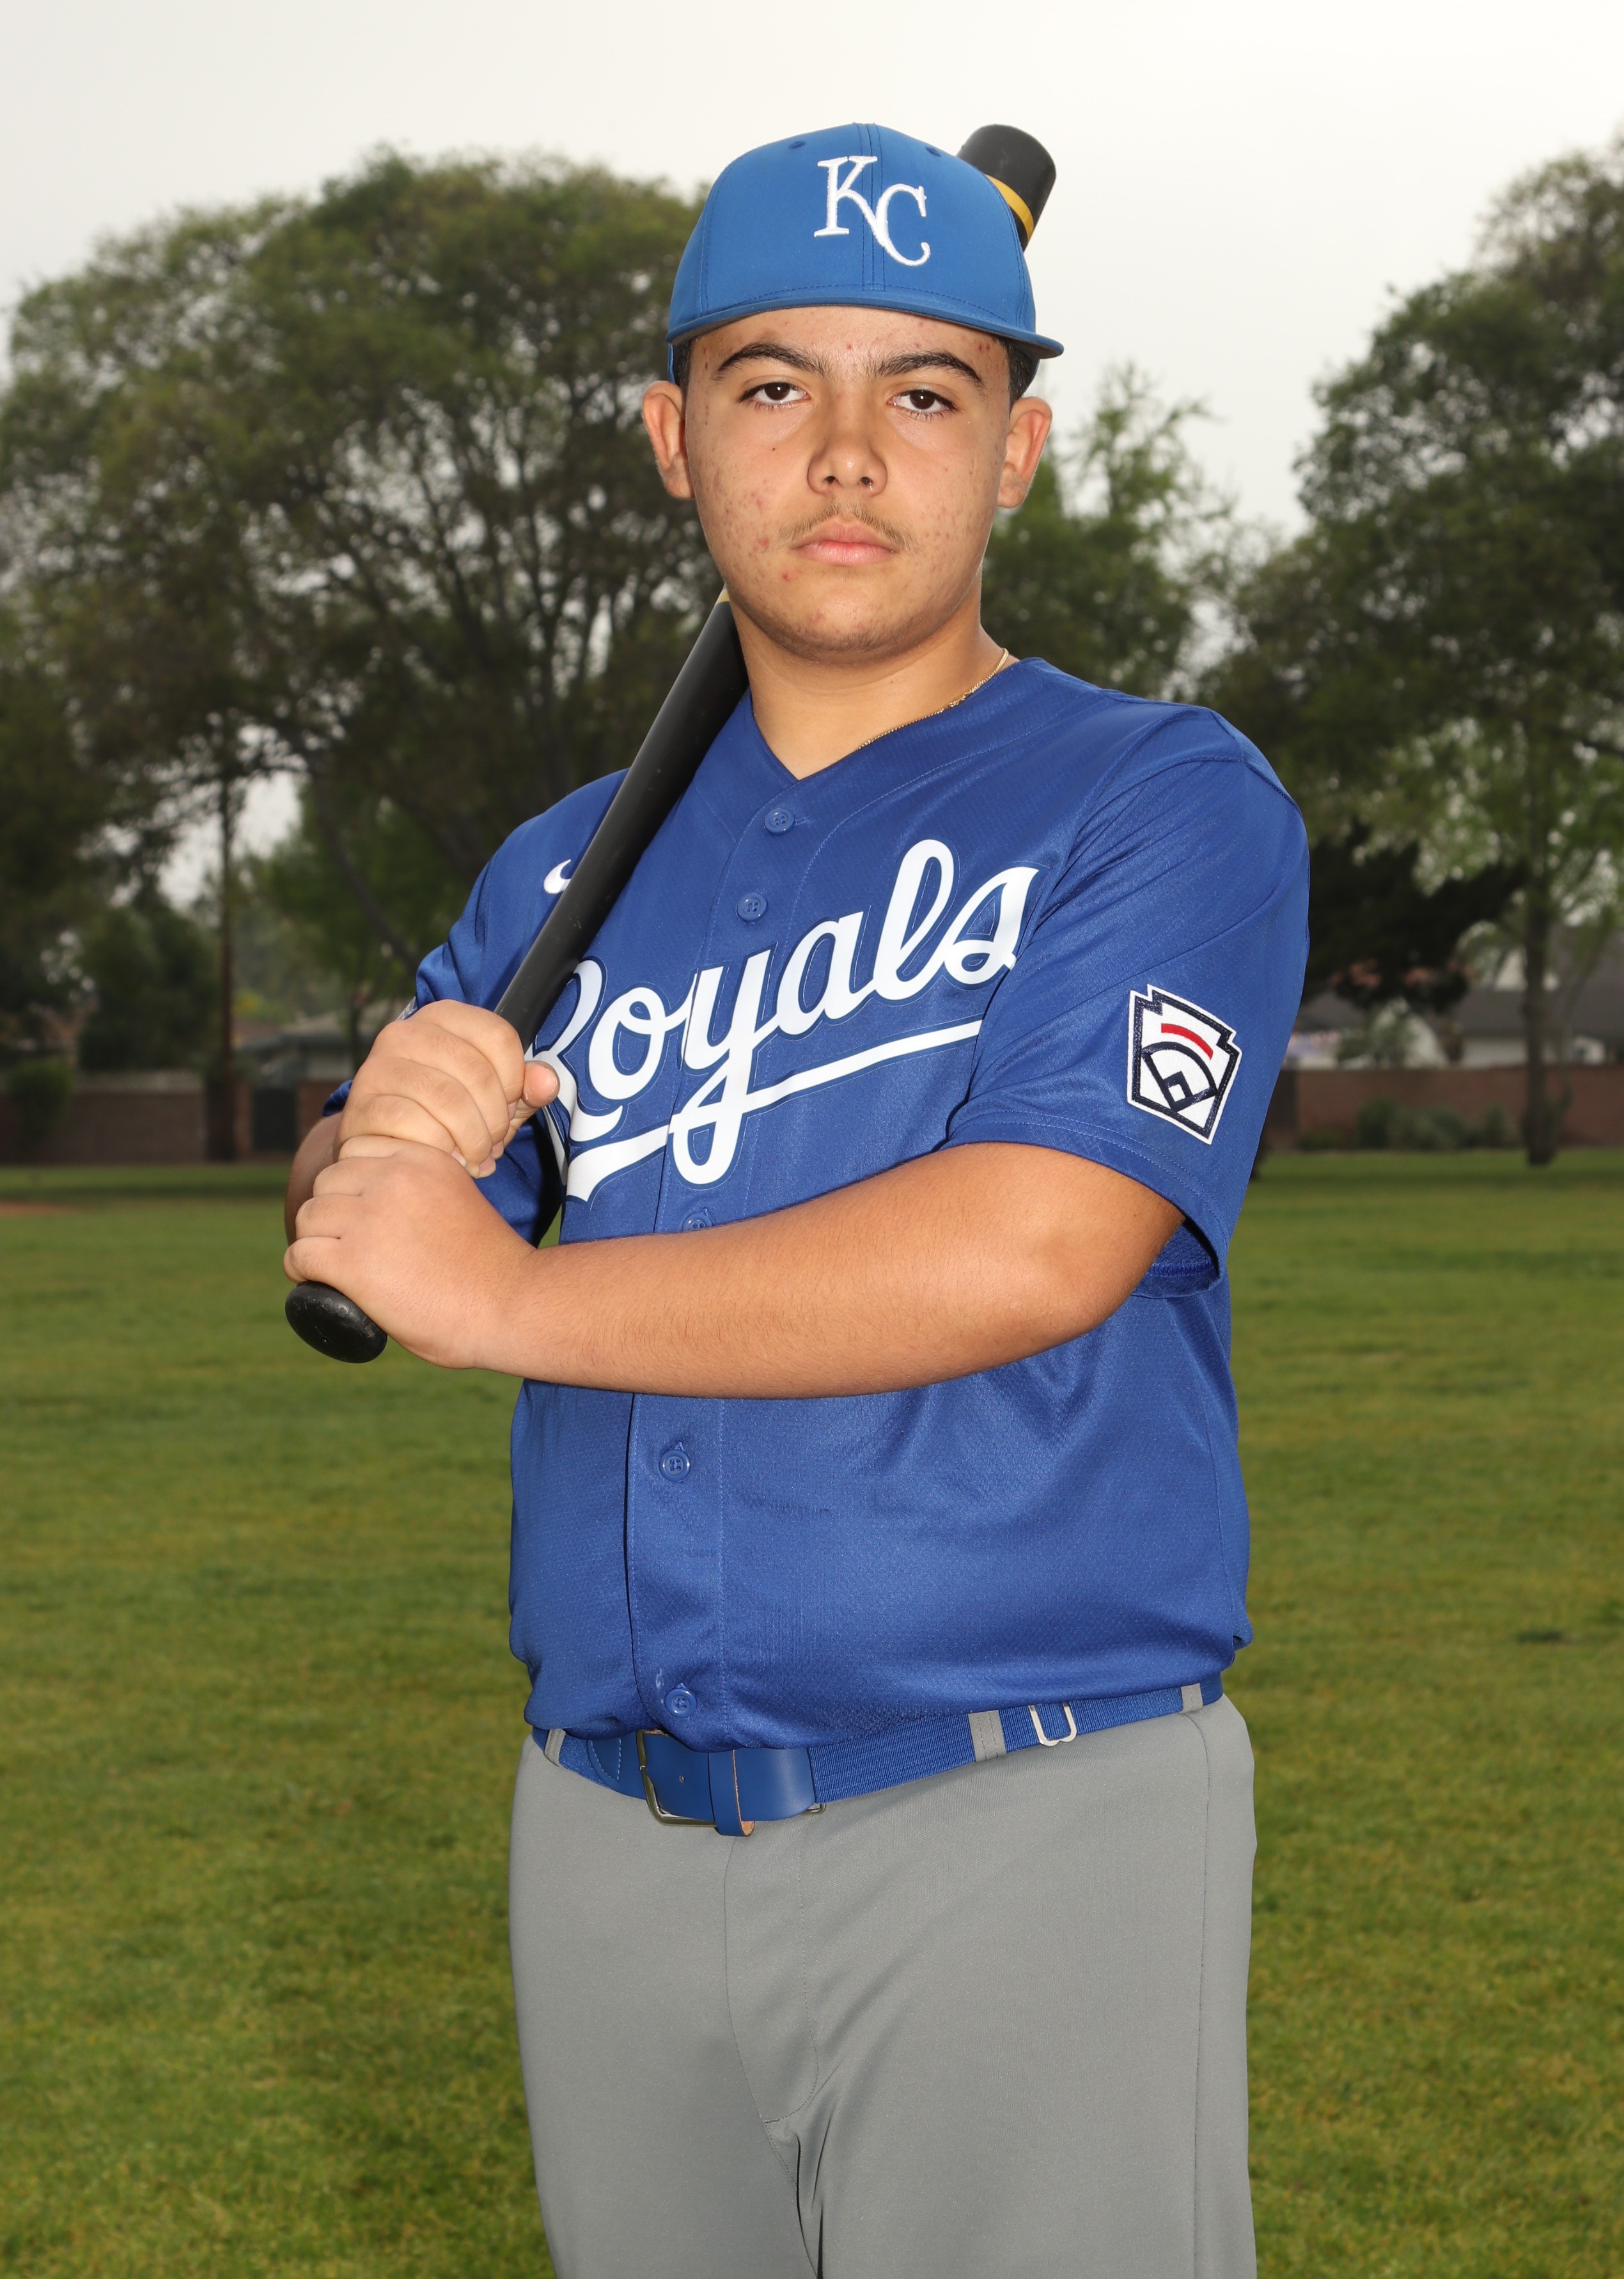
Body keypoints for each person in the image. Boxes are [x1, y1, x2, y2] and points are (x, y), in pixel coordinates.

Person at [284, 121, 1308, 2279]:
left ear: (1018, 451)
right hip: (608, 1824)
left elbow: (1043, 1240)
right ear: (675, 440)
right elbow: (396, 1210)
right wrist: (371, 1134)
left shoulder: (1159, 798)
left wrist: (504, 1301)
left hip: (1027, 1805)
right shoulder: (562, 871)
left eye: (923, 391)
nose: (845, 454)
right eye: (773, 386)